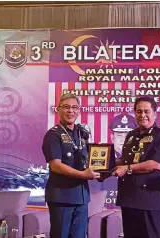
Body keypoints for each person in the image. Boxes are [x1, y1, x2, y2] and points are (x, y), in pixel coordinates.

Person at [113, 96, 160, 238]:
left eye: (147, 111)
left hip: (152, 201)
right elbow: (124, 160)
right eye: (139, 111)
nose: (143, 115)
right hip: (129, 198)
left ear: (155, 113)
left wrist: (127, 168)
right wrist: (103, 162)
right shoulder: (131, 135)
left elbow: (156, 164)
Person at [42, 93, 101, 238]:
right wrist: (83, 175)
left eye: (74, 107)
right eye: (66, 107)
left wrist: (106, 165)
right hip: (62, 197)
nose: (71, 111)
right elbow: (55, 165)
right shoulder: (53, 135)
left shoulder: (82, 134)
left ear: (79, 110)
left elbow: (91, 159)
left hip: (81, 197)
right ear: (58, 109)